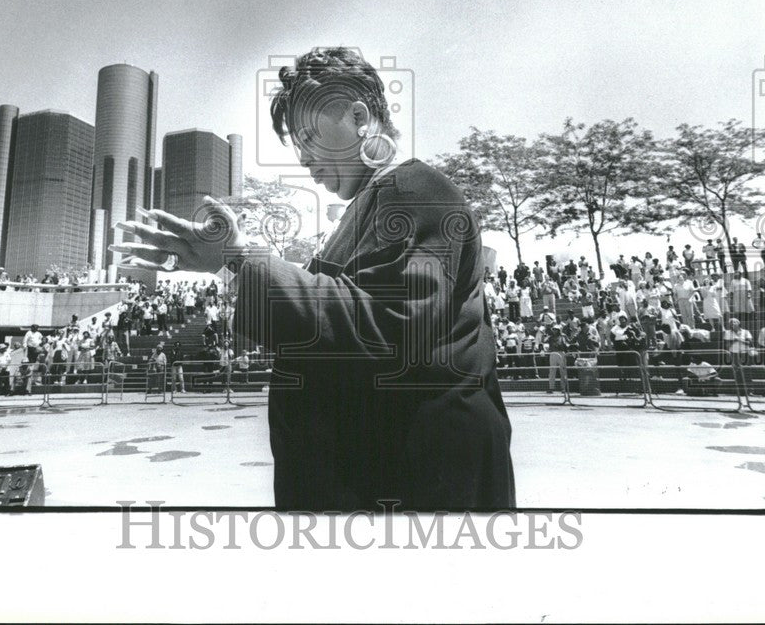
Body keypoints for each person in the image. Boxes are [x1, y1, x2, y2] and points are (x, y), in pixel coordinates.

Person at [112, 46, 515, 511]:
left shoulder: (414, 190)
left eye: (308, 136)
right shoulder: (375, 201)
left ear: (359, 116)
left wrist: (242, 257)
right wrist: (230, 262)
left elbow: (389, 324)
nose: (303, 157)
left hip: (422, 481)